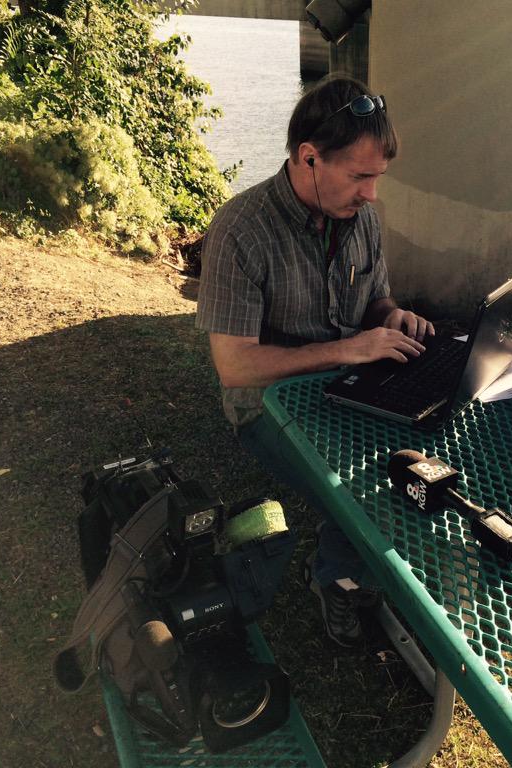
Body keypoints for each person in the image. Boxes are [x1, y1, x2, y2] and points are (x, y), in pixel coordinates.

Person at [195, 76, 435, 647]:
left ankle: (377, 563)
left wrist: (391, 316)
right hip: (268, 405)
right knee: (360, 485)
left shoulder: (363, 219)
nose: (372, 195)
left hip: (353, 378)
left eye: (377, 177)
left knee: (427, 447)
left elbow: (376, 299)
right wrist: (348, 349)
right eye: (359, 176)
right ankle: (337, 579)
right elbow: (236, 368)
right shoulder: (239, 231)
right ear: (308, 158)